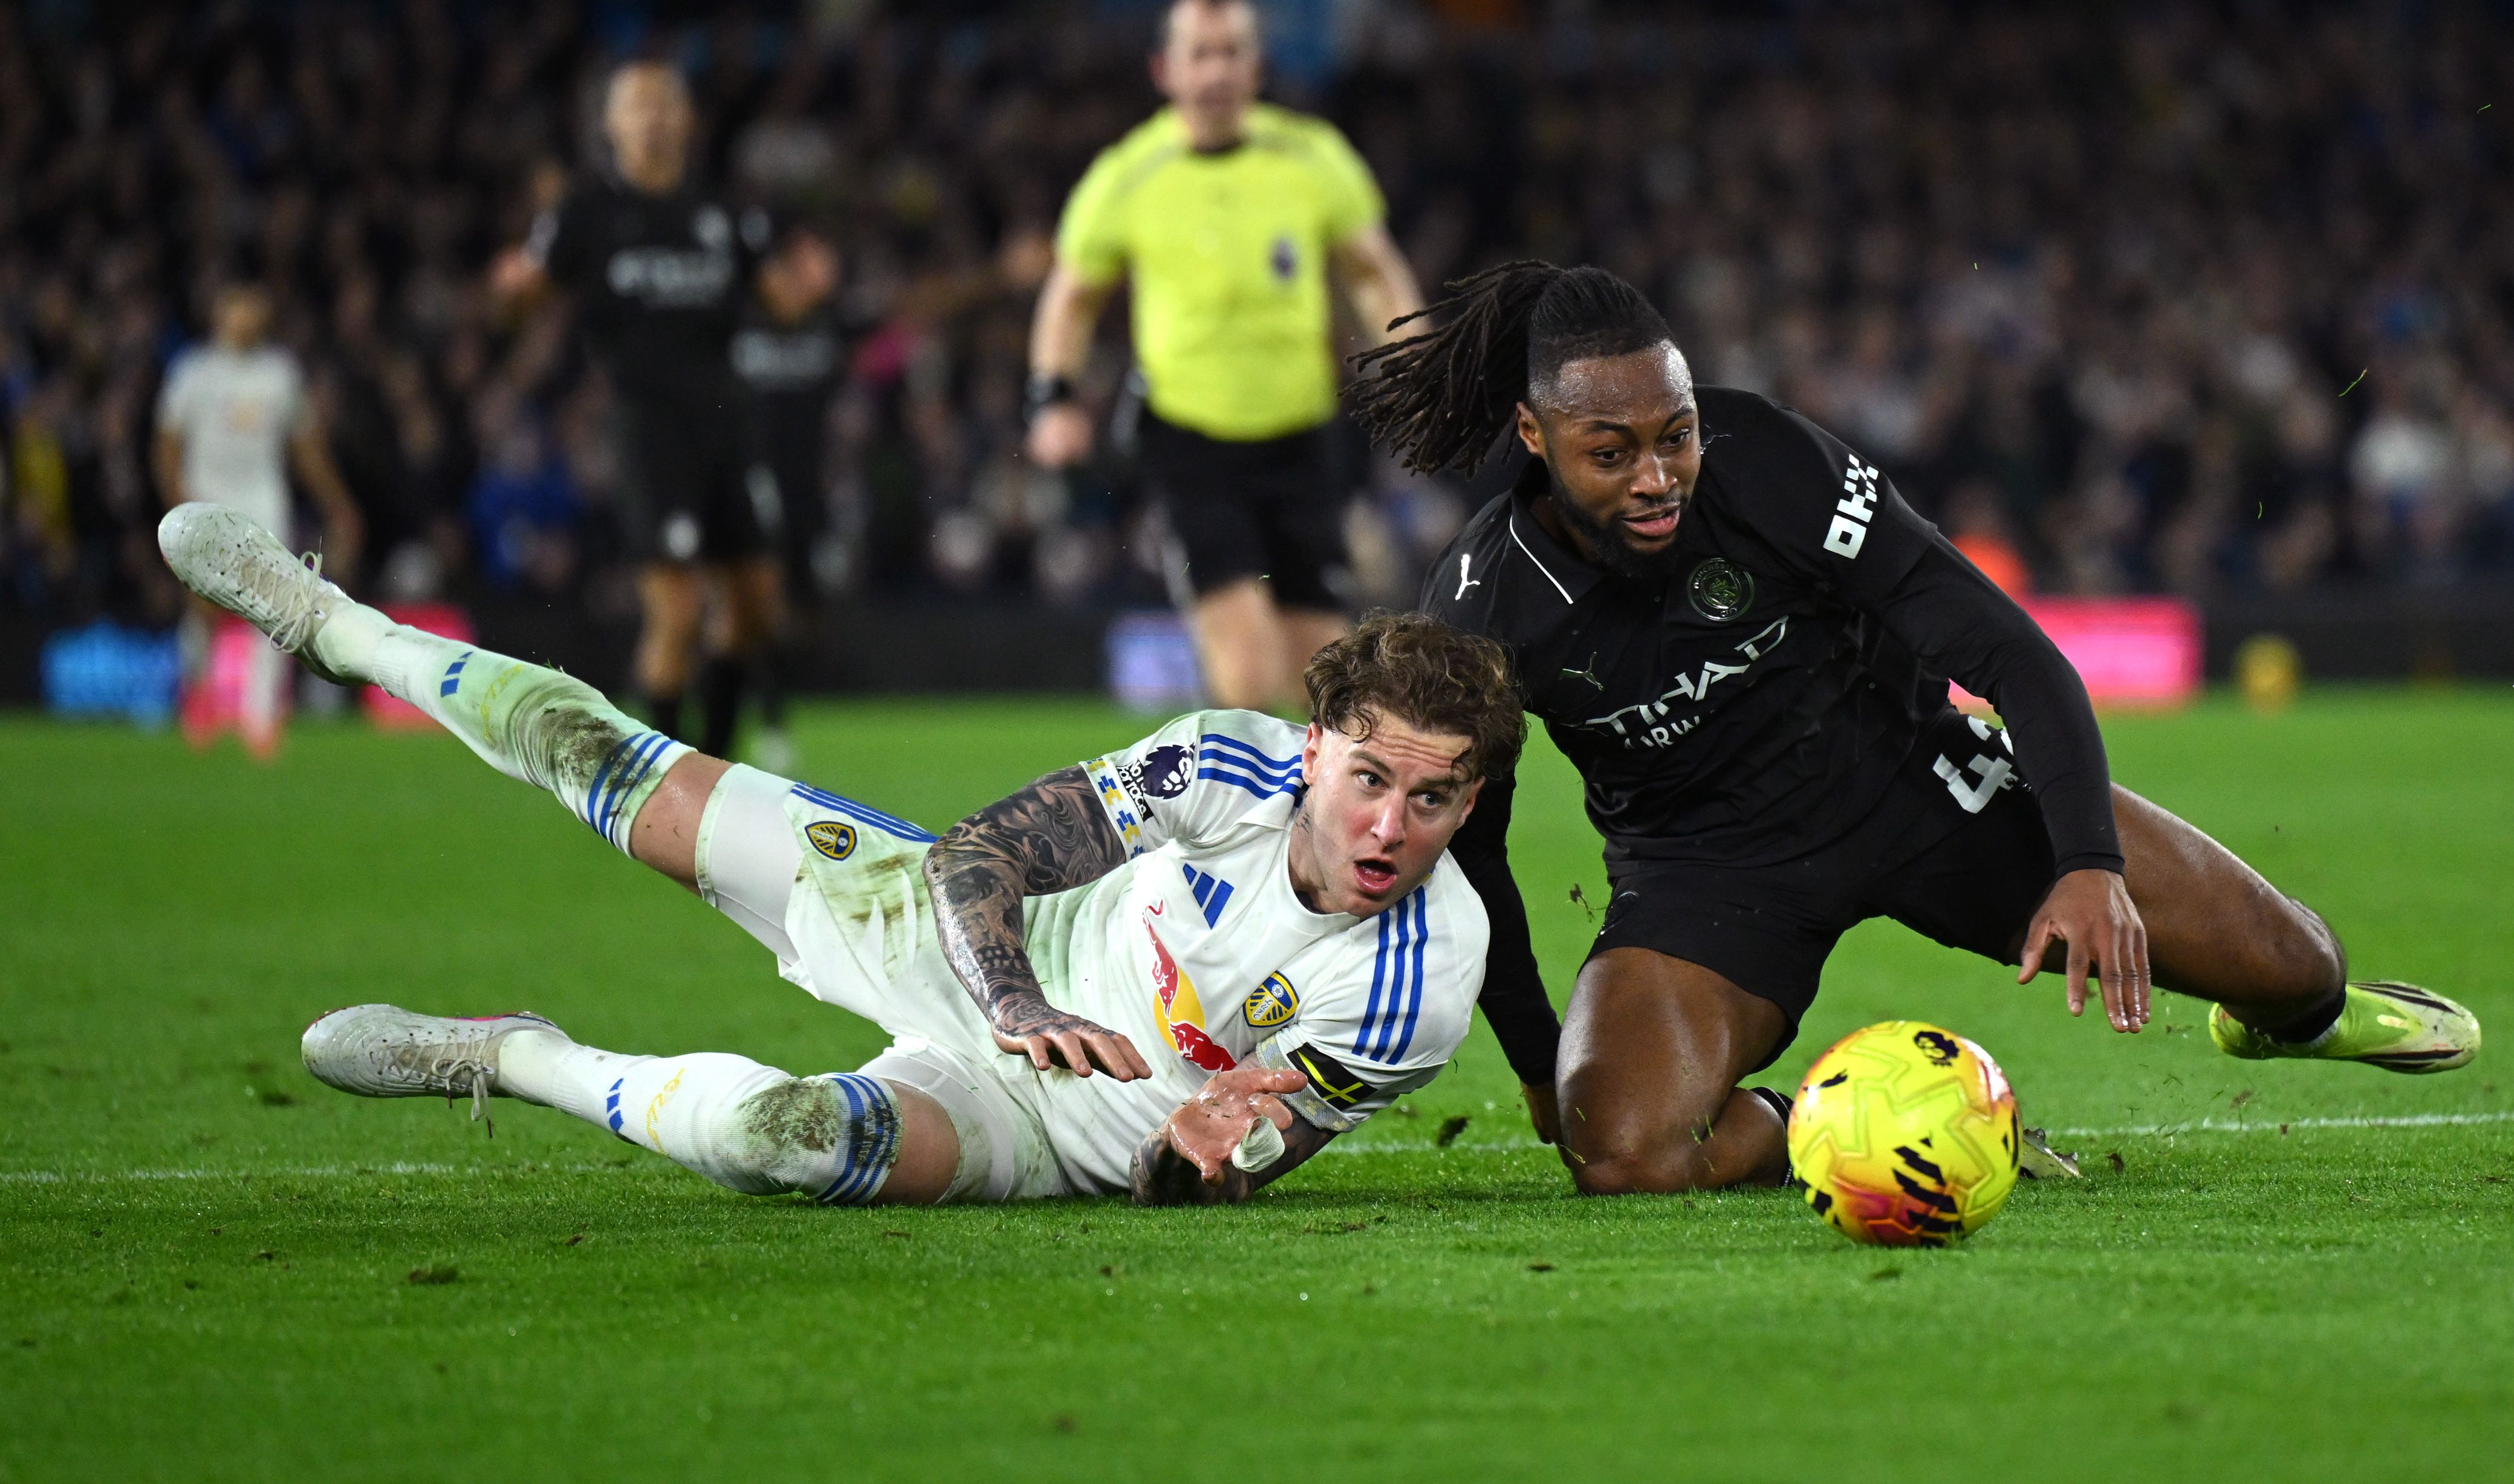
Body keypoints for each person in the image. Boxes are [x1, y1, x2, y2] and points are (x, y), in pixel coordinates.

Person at [1352, 261, 2483, 1195]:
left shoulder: (1771, 464)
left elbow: (2009, 653)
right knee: (1620, 1154)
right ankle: (1859, 1126)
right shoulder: (1484, 611)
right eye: (1611, 453)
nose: (1657, 478)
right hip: (1705, 872)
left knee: (2299, 970)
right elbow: (1475, 851)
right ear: (1534, 435)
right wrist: (1536, 1062)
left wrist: (2086, 865)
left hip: (1918, 784)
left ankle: (2281, 1015)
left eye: (1676, 436)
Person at [157, 501, 1518, 1205]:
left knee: (784, 1141)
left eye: (1434, 800)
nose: (1389, 828)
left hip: (1040, 1133)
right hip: (972, 943)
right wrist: (1017, 1001)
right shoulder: (1224, 762)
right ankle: (334, 626)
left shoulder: (1425, 978)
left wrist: (1198, 1156)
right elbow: (977, 855)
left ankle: (510, 1058)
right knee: (605, 760)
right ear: (1315, 747)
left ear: (1470, 804)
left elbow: (1213, 1172)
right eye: (1369, 780)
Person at [1025, 0, 1426, 710]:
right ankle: (1241, 785)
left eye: (1231, 52)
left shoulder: (1311, 157)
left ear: (1256, 66)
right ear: (1165, 70)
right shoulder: (1128, 175)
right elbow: (1071, 296)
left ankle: (1299, 790)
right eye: (1200, 54)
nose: (1216, 71)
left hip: (1300, 440)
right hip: (1191, 443)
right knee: (1245, 671)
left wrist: (1414, 359)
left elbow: (1372, 270)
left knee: (1323, 678)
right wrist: (1051, 398)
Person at [492, 62, 828, 761]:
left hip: (728, 423)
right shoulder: (585, 214)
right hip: (647, 428)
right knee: (677, 611)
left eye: (665, 103)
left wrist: (810, 284)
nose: (653, 117)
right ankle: (663, 782)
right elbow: (524, 300)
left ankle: (716, 760)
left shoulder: (721, 210)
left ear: (687, 120)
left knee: (755, 605)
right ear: (610, 124)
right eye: (638, 105)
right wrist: (510, 291)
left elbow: (781, 305)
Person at [154, 282, 365, 758]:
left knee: (274, 607)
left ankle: (261, 717)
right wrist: (176, 505)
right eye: (237, 305)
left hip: (264, 501)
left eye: (252, 305)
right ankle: (200, 693)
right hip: (206, 498)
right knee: (203, 607)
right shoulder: (194, 372)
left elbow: (305, 446)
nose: (245, 315)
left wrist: (337, 501)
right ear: (219, 312)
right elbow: (167, 444)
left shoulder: (280, 374)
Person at [730, 221, 846, 774]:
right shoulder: (736, 323)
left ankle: (776, 697)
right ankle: (769, 717)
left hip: (811, 489)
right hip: (752, 482)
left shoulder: (828, 327)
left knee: (805, 608)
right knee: (761, 601)